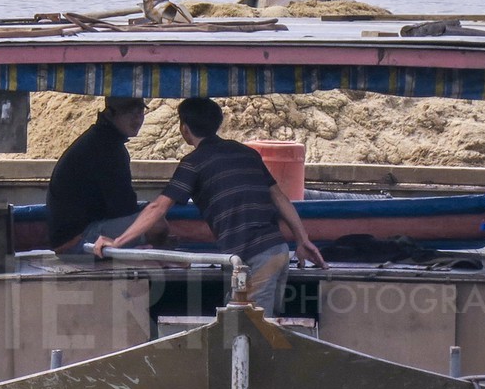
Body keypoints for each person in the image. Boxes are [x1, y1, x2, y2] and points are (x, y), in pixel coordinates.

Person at [92, 97, 327, 317]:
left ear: (184, 129)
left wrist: (118, 242)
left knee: (247, 331)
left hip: (255, 258)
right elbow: (280, 198)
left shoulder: (193, 163)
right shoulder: (246, 153)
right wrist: (302, 239)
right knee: (255, 325)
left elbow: (158, 208)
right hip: (277, 251)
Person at [44, 95, 162, 252]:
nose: (137, 118)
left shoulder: (102, 140)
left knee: (150, 214)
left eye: (140, 111)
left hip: (80, 230)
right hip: (75, 241)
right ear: (111, 113)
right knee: (156, 223)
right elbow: (122, 208)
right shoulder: (108, 149)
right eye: (129, 112)